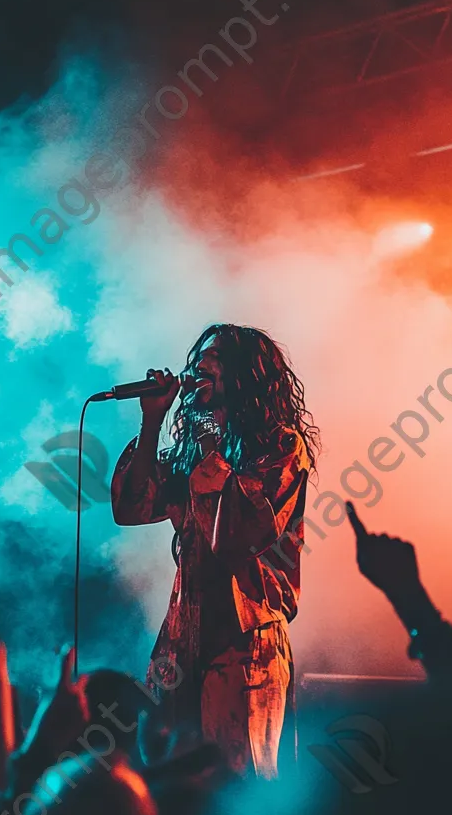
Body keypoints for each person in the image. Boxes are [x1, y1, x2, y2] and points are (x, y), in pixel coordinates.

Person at [111, 324, 319, 778]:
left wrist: (209, 445)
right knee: (172, 779)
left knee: (234, 785)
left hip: (245, 644)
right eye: (200, 355)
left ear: (248, 374)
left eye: (218, 356)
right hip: (183, 643)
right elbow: (131, 506)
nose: (201, 363)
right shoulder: (190, 450)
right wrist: (152, 419)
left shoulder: (280, 447)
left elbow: (234, 538)